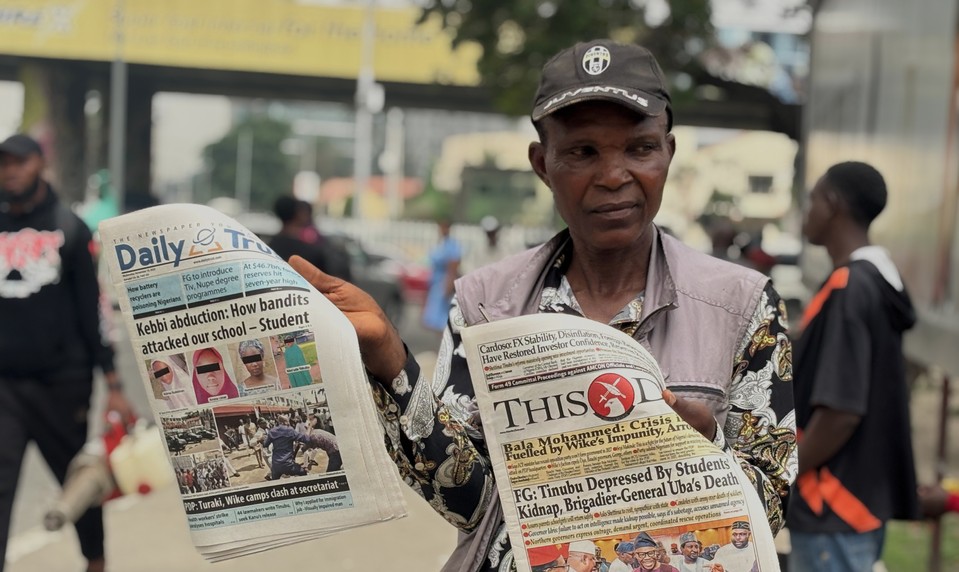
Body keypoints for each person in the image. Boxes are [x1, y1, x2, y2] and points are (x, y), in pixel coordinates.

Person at [287, 39, 796, 572]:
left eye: (639, 148)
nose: (614, 175)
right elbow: (467, 504)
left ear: (668, 152)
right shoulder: (485, 304)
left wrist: (703, 452)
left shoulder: (743, 307)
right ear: (542, 163)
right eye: (582, 152)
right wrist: (391, 357)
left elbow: (771, 507)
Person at [0, 133, 134, 572]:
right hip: (6, 387)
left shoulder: (69, 228)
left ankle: (95, 562)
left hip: (62, 385)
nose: (11, 171)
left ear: (39, 164)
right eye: (4, 164)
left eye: (20, 162)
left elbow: (92, 309)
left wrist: (112, 383)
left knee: (80, 483)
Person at [787, 161, 919, 572]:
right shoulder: (874, 281)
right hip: (857, 501)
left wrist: (785, 472)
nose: (807, 212)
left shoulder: (849, 287)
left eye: (812, 200)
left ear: (832, 204)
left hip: (831, 504)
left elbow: (841, 410)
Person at [421, 218, 462, 332]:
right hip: (435, 283)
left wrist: (448, 285)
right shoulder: (440, 244)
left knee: (443, 320)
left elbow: (453, 266)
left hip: (444, 283)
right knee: (434, 320)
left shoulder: (452, 245)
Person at [262, 414, 308, 480]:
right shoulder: (290, 430)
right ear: (285, 422)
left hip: (276, 465)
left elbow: (265, 444)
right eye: (288, 421)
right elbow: (304, 439)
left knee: (275, 481)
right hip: (288, 464)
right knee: (303, 473)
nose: (289, 423)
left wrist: (262, 439)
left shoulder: (272, 431)